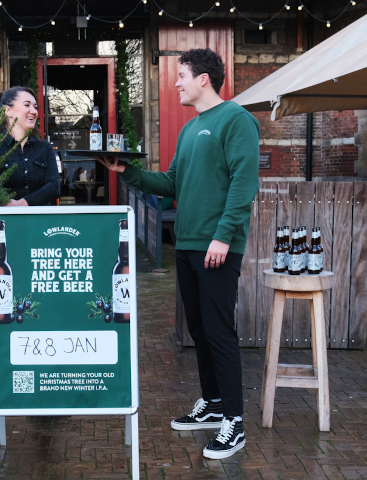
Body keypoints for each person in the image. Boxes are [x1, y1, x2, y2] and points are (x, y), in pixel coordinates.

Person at [98, 48, 259, 459]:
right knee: (200, 330)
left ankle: (235, 424)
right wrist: (126, 172)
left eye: (182, 74)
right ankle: (214, 404)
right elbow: (171, 182)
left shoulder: (236, 120)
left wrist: (224, 235)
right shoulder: (190, 130)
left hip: (216, 245)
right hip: (187, 245)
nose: (176, 82)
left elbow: (244, 183)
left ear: (204, 78)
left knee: (220, 332)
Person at [0, 86, 59, 422]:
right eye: (27, 105)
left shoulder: (44, 148)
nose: (34, 110)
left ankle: (43, 389)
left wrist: (24, 203)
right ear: (8, 111)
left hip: (36, 243)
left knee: (37, 313)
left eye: (36, 105)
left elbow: (54, 186)